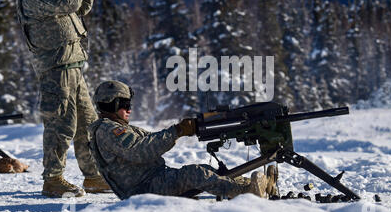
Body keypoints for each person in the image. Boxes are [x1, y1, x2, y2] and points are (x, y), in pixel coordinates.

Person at [17, 0, 110, 197]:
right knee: (61, 123)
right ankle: (53, 179)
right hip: (55, 70)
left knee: (86, 123)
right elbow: (69, 2)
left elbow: (82, 5)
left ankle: (93, 176)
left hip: (72, 66)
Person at [89, 80, 278, 200]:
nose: (129, 109)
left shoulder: (120, 127)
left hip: (153, 180)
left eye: (129, 104)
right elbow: (141, 150)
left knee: (206, 170)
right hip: (143, 189)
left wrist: (190, 127)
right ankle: (247, 192)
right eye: (124, 105)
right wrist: (178, 131)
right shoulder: (108, 130)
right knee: (194, 174)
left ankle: (257, 185)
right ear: (111, 104)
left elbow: (151, 139)